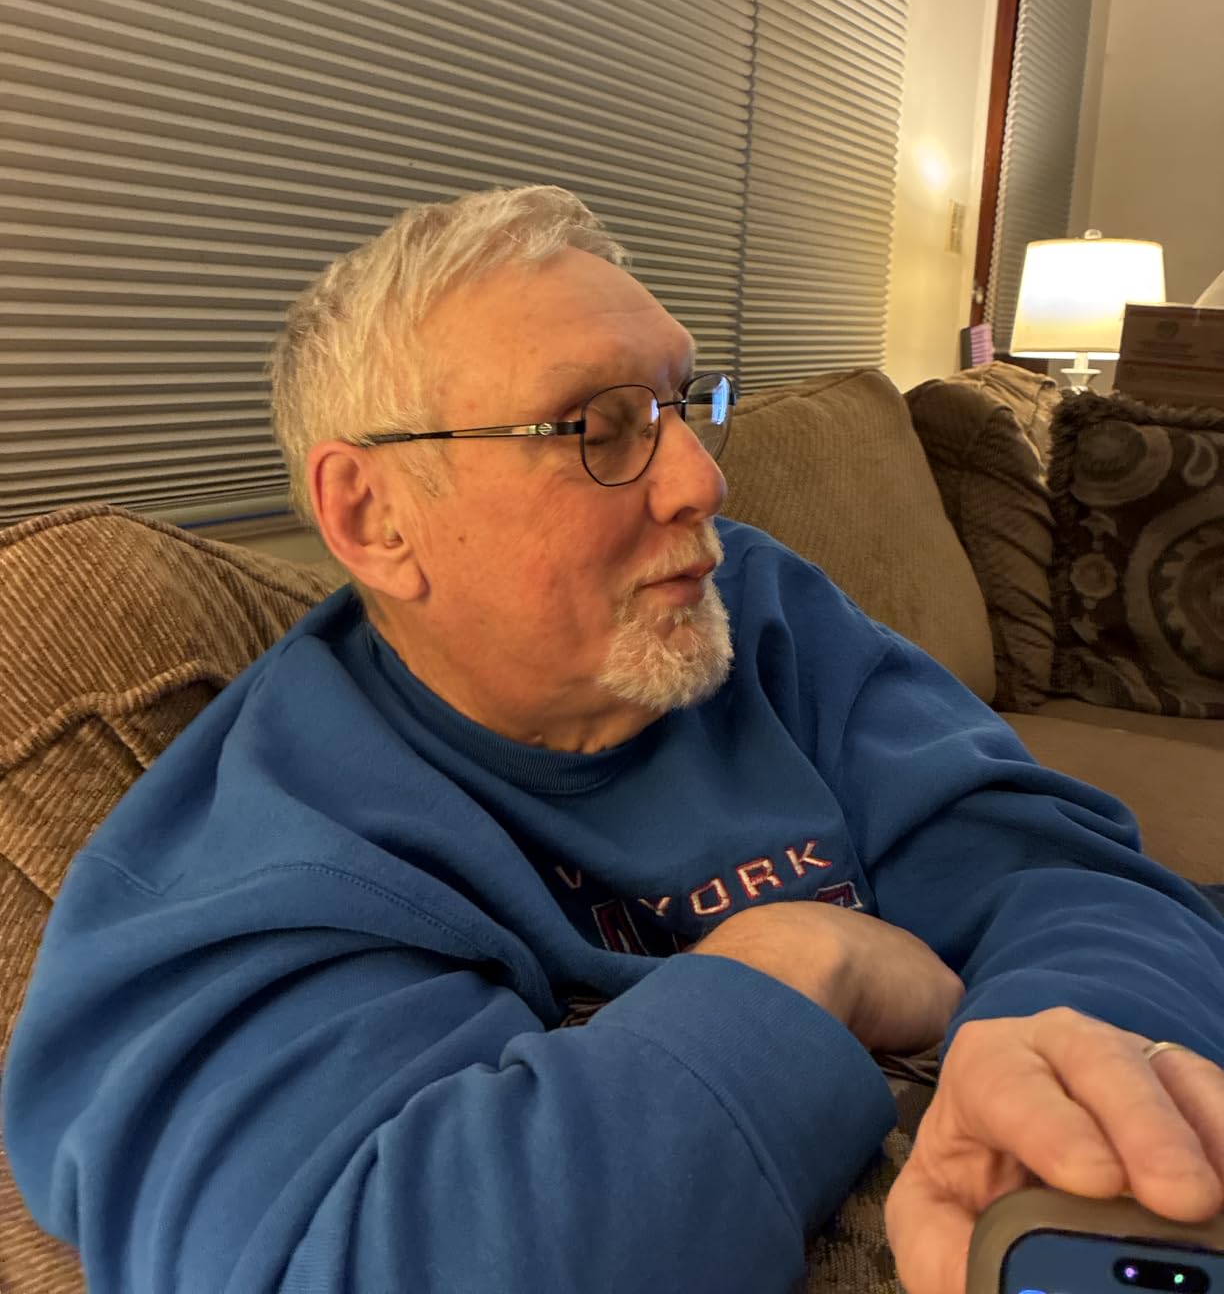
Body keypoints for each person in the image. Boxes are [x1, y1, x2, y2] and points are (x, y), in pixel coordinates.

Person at [6, 185, 1223, 1294]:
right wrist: (800, 964)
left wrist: (1074, 1054)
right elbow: (365, 1259)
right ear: (373, 517)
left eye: (682, 404)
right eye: (599, 425)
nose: (701, 483)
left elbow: (1060, 872)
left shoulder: (759, 608)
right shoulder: (270, 846)